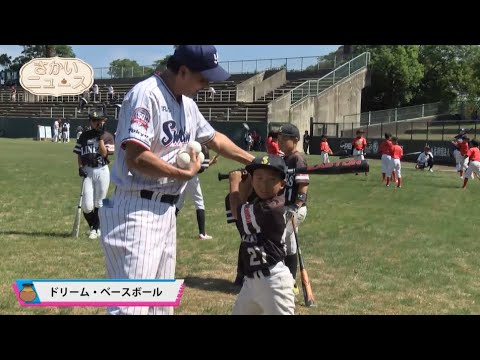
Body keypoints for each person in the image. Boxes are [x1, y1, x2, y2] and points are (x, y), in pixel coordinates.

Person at [98, 45, 255, 315]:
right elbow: (136, 157)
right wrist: (183, 174)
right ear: (182, 71)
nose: (206, 85)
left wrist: (254, 161)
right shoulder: (146, 95)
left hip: (166, 211)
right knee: (130, 308)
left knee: (162, 306)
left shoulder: (188, 104)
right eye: (203, 78)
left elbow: (214, 138)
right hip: (137, 210)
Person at [229, 154, 294, 315]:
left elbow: (237, 212)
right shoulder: (258, 203)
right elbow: (240, 207)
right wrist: (245, 185)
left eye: (271, 179)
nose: (264, 185)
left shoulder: (273, 207)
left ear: (282, 184)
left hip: (274, 281)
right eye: (259, 178)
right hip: (251, 281)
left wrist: (234, 184)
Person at [278, 123, 309, 298]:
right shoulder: (284, 159)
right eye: (278, 138)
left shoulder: (298, 159)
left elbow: (303, 185)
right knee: (290, 246)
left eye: (284, 139)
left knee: (278, 241)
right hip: (286, 207)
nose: (279, 141)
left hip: (295, 208)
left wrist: (296, 206)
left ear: (295, 140)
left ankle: (284, 282)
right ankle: (291, 283)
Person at [73, 110, 115, 239]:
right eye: (94, 121)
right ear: (90, 122)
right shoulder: (84, 136)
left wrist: (100, 137)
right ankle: (97, 226)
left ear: (104, 121)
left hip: (102, 170)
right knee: (87, 206)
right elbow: (79, 154)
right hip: (88, 171)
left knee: (100, 202)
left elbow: (104, 154)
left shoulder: (108, 136)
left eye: (99, 120)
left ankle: (95, 229)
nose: (97, 123)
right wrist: (80, 167)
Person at [175, 145, 218, 240]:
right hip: (192, 177)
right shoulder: (200, 148)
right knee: (199, 203)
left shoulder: (188, 146)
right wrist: (208, 163)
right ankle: (202, 234)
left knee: (178, 203)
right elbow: (200, 169)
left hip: (182, 174)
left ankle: (168, 228)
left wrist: (210, 162)